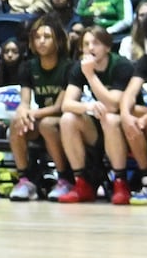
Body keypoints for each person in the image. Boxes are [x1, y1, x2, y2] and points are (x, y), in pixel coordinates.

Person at [55, 26, 134, 203]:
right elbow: (67, 104)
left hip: (125, 131)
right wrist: (88, 107)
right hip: (95, 130)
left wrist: (90, 76)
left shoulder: (121, 65)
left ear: (107, 47)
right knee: (67, 119)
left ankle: (121, 183)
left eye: (96, 43)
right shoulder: (78, 68)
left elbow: (113, 105)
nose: (90, 48)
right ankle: (81, 184)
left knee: (110, 118)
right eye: (86, 44)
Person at [9, 16, 71, 201]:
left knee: (46, 124)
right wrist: (22, 111)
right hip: (42, 116)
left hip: (66, 119)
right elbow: (25, 101)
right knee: (17, 122)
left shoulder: (69, 66)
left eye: (47, 36)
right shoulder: (28, 66)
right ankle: (24, 180)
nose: (41, 41)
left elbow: (60, 106)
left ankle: (64, 179)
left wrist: (31, 113)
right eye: (37, 37)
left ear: (58, 40)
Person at [119, 8, 147, 204]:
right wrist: (125, 115)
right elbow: (129, 94)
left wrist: (143, 119)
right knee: (129, 114)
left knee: (139, 117)